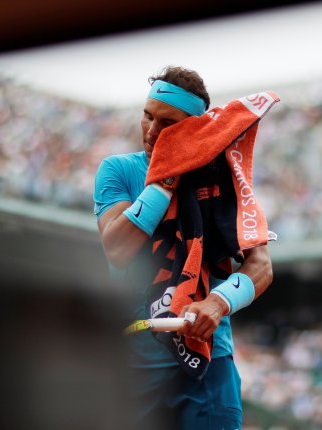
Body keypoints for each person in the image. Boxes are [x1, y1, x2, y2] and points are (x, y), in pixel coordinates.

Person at [93, 65, 273, 429]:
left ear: (194, 128)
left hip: (208, 357)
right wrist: (167, 177)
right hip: (132, 360)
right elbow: (117, 248)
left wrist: (217, 302)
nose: (152, 130)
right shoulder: (117, 170)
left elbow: (261, 267)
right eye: (147, 115)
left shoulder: (228, 179)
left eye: (169, 124)